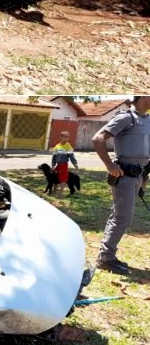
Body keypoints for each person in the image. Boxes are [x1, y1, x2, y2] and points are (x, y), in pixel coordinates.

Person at [92, 95, 150, 275]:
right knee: (122, 217)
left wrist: (144, 177)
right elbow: (98, 138)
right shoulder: (126, 117)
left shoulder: (147, 119)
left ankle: (107, 255)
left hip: (137, 175)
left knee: (121, 216)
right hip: (124, 174)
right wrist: (110, 165)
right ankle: (106, 258)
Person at [51, 131, 79, 198]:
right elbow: (54, 157)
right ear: (61, 137)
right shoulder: (57, 146)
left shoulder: (68, 146)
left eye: (68, 137)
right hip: (58, 165)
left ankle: (60, 194)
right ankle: (54, 191)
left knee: (63, 179)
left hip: (64, 165)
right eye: (65, 137)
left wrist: (75, 164)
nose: (67, 139)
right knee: (56, 178)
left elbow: (72, 156)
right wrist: (53, 165)